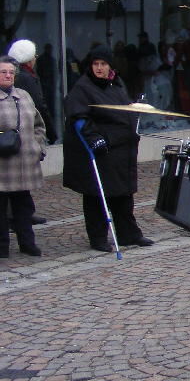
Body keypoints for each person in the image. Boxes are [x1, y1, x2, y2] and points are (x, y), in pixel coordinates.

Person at [63, 46, 153, 252]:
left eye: (103, 64)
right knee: (97, 195)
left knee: (123, 194)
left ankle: (128, 234)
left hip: (122, 149)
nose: (99, 68)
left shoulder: (116, 83)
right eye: (95, 64)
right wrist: (94, 138)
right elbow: (78, 117)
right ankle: (98, 238)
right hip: (103, 148)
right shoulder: (83, 88)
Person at [0, 57, 46, 257]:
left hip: (25, 163)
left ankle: (27, 243)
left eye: (11, 72)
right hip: (3, 165)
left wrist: (38, 146)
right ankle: (2, 247)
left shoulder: (24, 95)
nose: (8, 75)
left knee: (24, 207)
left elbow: (39, 124)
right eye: (3, 72)